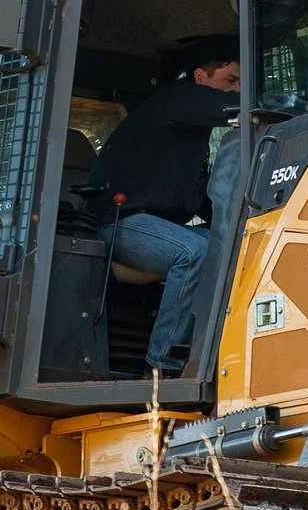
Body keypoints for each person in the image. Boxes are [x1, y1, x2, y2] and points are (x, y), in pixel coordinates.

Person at [88, 36, 241, 372]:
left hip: (159, 230)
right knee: (193, 253)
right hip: (121, 224)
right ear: (201, 77)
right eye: (230, 80)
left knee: (238, 244)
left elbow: (202, 200)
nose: (236, 90)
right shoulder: (178, 98)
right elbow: (239, 109)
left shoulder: (187, 139)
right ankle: (163, 365)